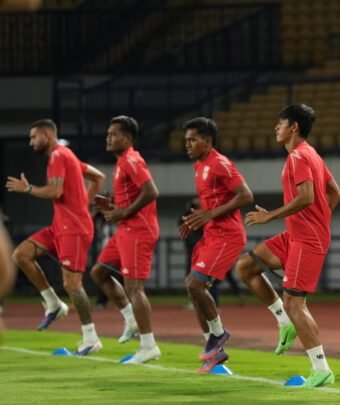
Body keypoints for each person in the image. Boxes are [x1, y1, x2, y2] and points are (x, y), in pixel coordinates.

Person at [236, 104, 340, 387]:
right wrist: (319, 219)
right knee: (246, 267)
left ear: (294, 127)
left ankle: (321, 370)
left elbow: (306, 197)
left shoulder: (298, 156)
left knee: (295, 303)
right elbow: (335, 193)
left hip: (307, 238)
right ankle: (284, 321)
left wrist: (270, 216)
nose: (276, 127)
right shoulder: (312, 154)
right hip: (296, 234)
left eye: (280, 123)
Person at [6, 119, 105, 355]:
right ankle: (53, 303)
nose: (31, 142)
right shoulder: (67, 155)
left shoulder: (58, 156)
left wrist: (28, 189)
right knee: (21, 254)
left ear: (47, 135)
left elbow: (56, 190)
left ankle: (91, 338)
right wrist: (84, 204)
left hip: (74, 229)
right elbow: (98, 177)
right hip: (60, 226)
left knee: (72, 284)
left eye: (34, 137)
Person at [180, 117, 254, 373]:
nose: (187, 144)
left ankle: (218, 335)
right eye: (186, 140)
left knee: (195, 284)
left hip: (227, 235)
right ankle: (214, 351)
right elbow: (212, 203)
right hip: (212, 234)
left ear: (208, 141)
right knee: (193, 288)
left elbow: (246, 195)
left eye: (192, 140)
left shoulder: (220, 163)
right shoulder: (199, 166)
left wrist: (210, 214)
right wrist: (198, 220)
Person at [89, 116, 162, 364]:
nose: (108, 138)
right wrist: (113, 205)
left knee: (134, 288)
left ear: (128, 138)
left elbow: (151, 191)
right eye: (108, 134)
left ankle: (149, 345)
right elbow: (132, 196)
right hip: (125, 230)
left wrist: (123, 212)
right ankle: (131, 318)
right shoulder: (122, 162)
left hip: (138, 230)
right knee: (99, 272)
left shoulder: (131, 160)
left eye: (114, 134)